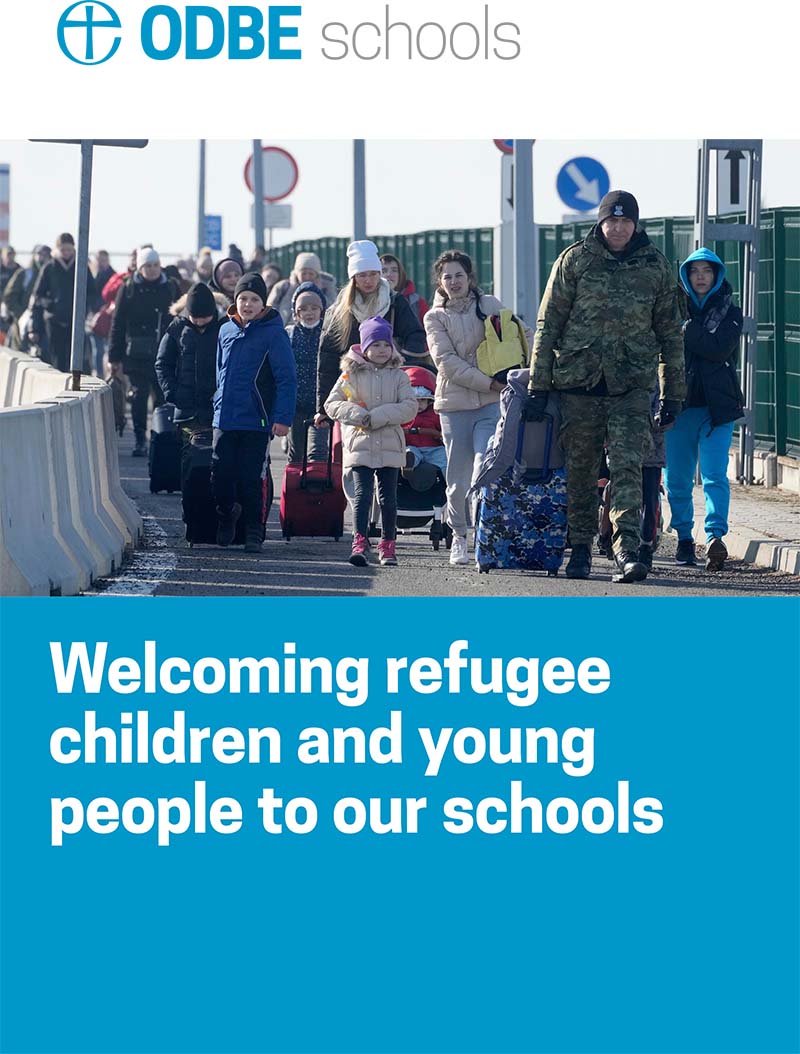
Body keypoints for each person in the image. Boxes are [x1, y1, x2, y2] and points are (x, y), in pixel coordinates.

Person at [526, 190, 685, 584]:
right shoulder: (575, 260)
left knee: (628, 467)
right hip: (579, 384)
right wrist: (537, 385)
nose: (618, 229)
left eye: (625, 221)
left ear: (635, 224)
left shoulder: (655, 267)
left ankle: (627, 549)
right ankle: (579, 548)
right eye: (611, 221)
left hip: (631, 386)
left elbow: (671, 334)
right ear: (600, 223)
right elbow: (549, 325)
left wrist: (672, 393)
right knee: (581, 472)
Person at [423, 250, 508, 567]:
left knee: (484, 469)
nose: (454, 281)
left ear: (470, 277)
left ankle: (486, 537)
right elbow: (446, 363)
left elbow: (518, 336)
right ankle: (459, 536)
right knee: (457, 479)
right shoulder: (434, 317)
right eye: (447, 277)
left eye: (459, 275)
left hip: (490, 404)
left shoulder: (490, 305)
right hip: (455, 406)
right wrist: (488, 382)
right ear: (440, 282)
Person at [664, 248, 744, 571]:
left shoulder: (730, 312)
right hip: (679, 407)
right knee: (678, 479)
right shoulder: (670, 311)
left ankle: (714, 537)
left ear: (716, 276)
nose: (700, 277)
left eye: (706, 271)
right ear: (685, 276)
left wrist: (686, 330)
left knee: (714, 475)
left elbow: (718, 348)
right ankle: (684, 537)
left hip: (717, 409)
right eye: (694, 271)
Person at [213, 272, 297, 553]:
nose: (247, 304)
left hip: (257, 420)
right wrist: (216, 404)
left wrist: (282, 418)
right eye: (243, 299)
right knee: (220, 474)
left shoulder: (274, 334)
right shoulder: (225, 330)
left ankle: (253, 531)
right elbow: (220, 372)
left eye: (254, 299)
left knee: (252, 478)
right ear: (235, 301)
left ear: (263, 304)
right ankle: (227, 514)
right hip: (224, 418)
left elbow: (287, 378)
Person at [324, 316, 417, 567]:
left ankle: (388, 544)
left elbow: (410, 406)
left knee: (388, 497)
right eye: (375, 345)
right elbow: (332, 404)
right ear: (364, 347)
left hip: (389, 443)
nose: (381, 350)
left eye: (386, 345)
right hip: (360, 443)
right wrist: (358, 415)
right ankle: (360, 541)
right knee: (362, 495)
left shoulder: (399, 376)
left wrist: (378, 416)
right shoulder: (349, 375)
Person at [315, 240, 426, 419]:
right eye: (362, 275)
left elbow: (416, 336)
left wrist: (400, 364)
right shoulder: (339, 311)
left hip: (388, 388)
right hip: (352, 391)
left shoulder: (394, 302)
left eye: (373, 274)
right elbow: (327, 359)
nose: (368, 281)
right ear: (353, 278)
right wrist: (322, 408)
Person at [155, 281, 226, 511]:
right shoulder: (177, 328)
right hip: (187, 410)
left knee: (219, 462)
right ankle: (192, 513)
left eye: (204, 318)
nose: (199, 323)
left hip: (218, 408)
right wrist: (172, 393)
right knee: (190, 461)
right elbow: (163, 364)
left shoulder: (225, 327)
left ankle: (217, 511)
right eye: (195, 318)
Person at [107, 247, 180, 456]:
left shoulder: (170, 287)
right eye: (148, 266)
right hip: (135, 354)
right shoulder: (128, 288)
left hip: (164, 353)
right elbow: (118, 323)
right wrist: (114, 357)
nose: (152, 270)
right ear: (140, 267)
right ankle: (140, 439)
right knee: (139, 397)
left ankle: (160, 437)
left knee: (162, 398)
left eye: (156, 265)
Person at [29, 233, 96, 372]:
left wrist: (85, 308)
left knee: (77, 359)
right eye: (63, 250)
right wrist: (50, 305)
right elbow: (37, 296)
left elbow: (92, 291)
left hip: (76, 321)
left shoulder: (81, 267)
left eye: (69, 250)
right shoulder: (49, 268)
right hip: (54, 321)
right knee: (57, 358)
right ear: (57, 250)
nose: (66, 253)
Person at [284, 281, 328, 464]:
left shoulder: (327, 334)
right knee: (296, 452)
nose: (309, 313)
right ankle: (294, 489)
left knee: (318, 452)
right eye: (303, 309)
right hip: (296, 404)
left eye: (314, 308)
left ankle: (317, 489)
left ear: (322, 311)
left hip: (320, 404)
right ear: (296, 312)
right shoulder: (290, 334)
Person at [268, 251, 338, 325]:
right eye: (303, 273)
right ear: (297, 273)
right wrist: (292, 289)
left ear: (317, 275)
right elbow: (269, 312)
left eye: (311, 274)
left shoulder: (327, 288)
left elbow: (332, 312)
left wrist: (318, 292)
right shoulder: (282, 287)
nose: (307, 277)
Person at [402, 366, 447, 478]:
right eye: (415, 401)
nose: (419, 405)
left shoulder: (435, 414)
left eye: (422, 400)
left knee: (444, 458)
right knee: (409, 452)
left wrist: (441, 435)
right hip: (411, 446)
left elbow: (442, 430)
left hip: (433, 447)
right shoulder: (403, 415)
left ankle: (451, 482)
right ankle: (408, 464)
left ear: (429, 401)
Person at [1, 244, 50, 350]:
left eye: (46, 254)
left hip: (46, 326)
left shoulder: (52, 276)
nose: (42, 257)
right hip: (22, 326)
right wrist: (21, 314)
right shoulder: (25, 274)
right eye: (39, 254)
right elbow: (9, 296)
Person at [381, 253, 429, 324]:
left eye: (394, 270)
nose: (389, 274)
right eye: (384, 271)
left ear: (401, 274)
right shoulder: (368, 300)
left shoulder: (416, 302)